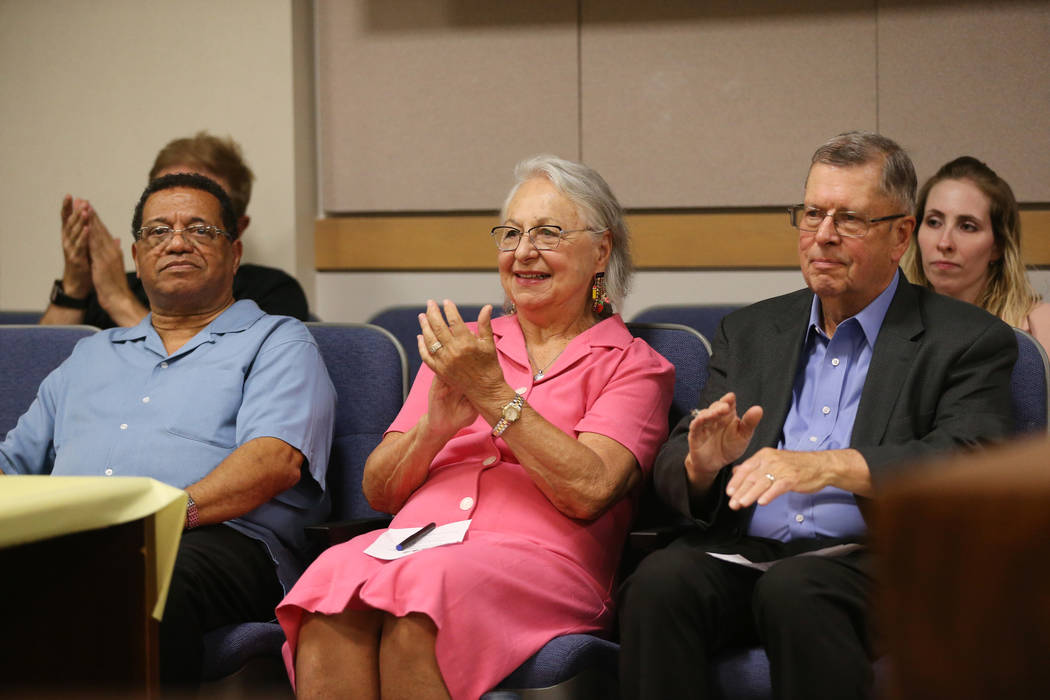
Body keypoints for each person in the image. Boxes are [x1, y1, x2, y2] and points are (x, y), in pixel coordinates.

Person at [618, 132, 1017, 700]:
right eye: (811, 214)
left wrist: (831, 466)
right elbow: (677, 460)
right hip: (749, 554)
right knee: (659, 583)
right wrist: (701, 466)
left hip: (879, 564)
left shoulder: (966, 339)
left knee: (799, 589)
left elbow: (972, 460)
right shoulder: (752, 331)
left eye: (849, 219)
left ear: (901, 234)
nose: (822, 235)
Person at [276, 155, 675, 699]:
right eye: (510, 233)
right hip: (413, 547)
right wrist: (435, 428)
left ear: (601, 250)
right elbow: (380, 489)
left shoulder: (633, 365)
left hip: (544, 565)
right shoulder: (462, 345)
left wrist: (491, 394)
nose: (523, 251)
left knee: (422, 597)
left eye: (548, 233)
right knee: (330, 587)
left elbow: (588, 490)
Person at [1, 173, 336, 688]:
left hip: (219, 539)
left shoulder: (276, 340)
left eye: (200, 229)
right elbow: (12, 465)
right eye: (158, 231)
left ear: (235, 252)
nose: (177, 241)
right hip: (73, 537)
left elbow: (273, 461)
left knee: (131, 581)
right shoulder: (90, 354)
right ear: (137, 256)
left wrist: (151, 522)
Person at [39, 131, 310, 328]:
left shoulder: (272, 292)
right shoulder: (111, 287)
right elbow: (31, 379)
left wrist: (120, 303)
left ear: (237, 231)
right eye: (162, 222)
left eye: (199, 226)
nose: (177, 243)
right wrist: (74, 286)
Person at [901, 155, 1050, 350]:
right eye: (934, 222)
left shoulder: (1040, 327)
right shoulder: (889, 321)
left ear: (998, 246)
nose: (944, 243)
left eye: (967, 227)